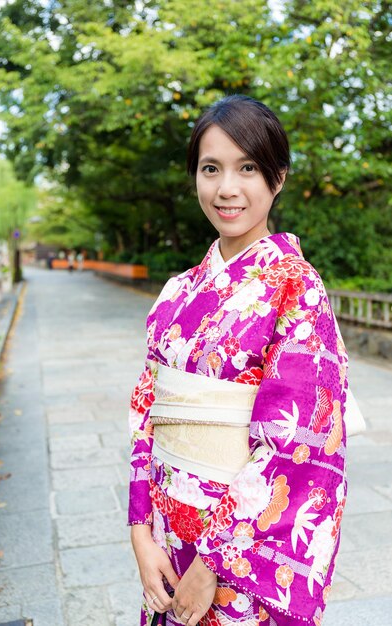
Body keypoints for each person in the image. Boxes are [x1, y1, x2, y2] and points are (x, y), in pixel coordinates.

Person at [128, 95, 348, 626]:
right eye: (211, 169)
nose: (227, 188)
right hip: (166, 530)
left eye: (247, 168)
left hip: (238, 549)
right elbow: (145, 409)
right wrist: (140, 531)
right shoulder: (178, 289)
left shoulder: (296, 286)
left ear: (279, 177)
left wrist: (215, 563)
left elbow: (301, 441)